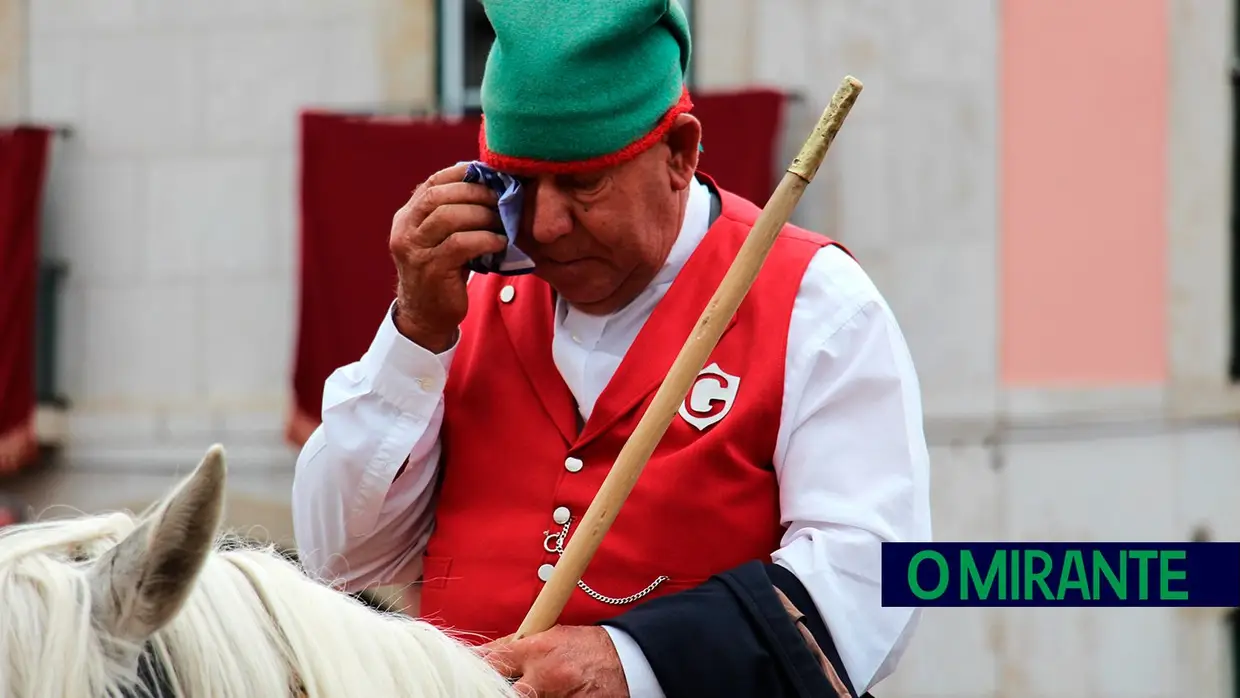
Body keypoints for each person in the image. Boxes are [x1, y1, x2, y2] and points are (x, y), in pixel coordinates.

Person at [290, 1, 932, 696]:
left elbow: (874, 581)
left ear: (680, 155)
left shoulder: (815, 302)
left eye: (582, 182)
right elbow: (339, 557)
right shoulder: (457, 311)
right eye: (519, 184)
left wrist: (634, 662)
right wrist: (413, 339)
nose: (545, 226)